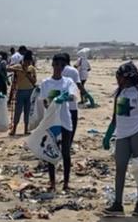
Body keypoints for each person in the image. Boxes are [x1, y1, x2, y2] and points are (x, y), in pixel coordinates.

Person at [102, 62, 138, 217]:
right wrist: (108, 134)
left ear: (127, 77)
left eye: (118, 77)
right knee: (120, 169)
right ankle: (118, 204)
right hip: (121, 136)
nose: (117, 80)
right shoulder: (120, 93)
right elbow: (115, 116)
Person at [39, 54, 77, 192]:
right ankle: (52, 182)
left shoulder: (68, 82)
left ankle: (66, 182)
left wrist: (64, 97)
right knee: (51, 151)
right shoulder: (45, 83)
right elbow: (44, 101)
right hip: (51, 122)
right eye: (56, 65)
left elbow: (73, 97)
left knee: (66, 152)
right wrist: (52, 103)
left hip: (65, 120)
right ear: (53, 65)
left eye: (62, 66)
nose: (58, 68)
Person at [62, 53, 89, 144]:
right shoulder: (73, 71)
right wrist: (86, 94)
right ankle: (69, 143)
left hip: (61, 103)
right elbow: (79, 85)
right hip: (71, 104)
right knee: (72, 125)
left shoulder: (58, 70)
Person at [8, 50, 37, 135]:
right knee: (18, 110)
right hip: (20, 91)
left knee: (27, 111)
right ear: (23, 60)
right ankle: (14, 129)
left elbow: (34, 81)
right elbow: (8, 68)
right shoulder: (18, 66)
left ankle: (26, 129)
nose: (28, 63)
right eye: (26, 61)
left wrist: (28, 75)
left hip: (30, 91)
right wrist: (16, 69)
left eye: (29, 62)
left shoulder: (32, 69)